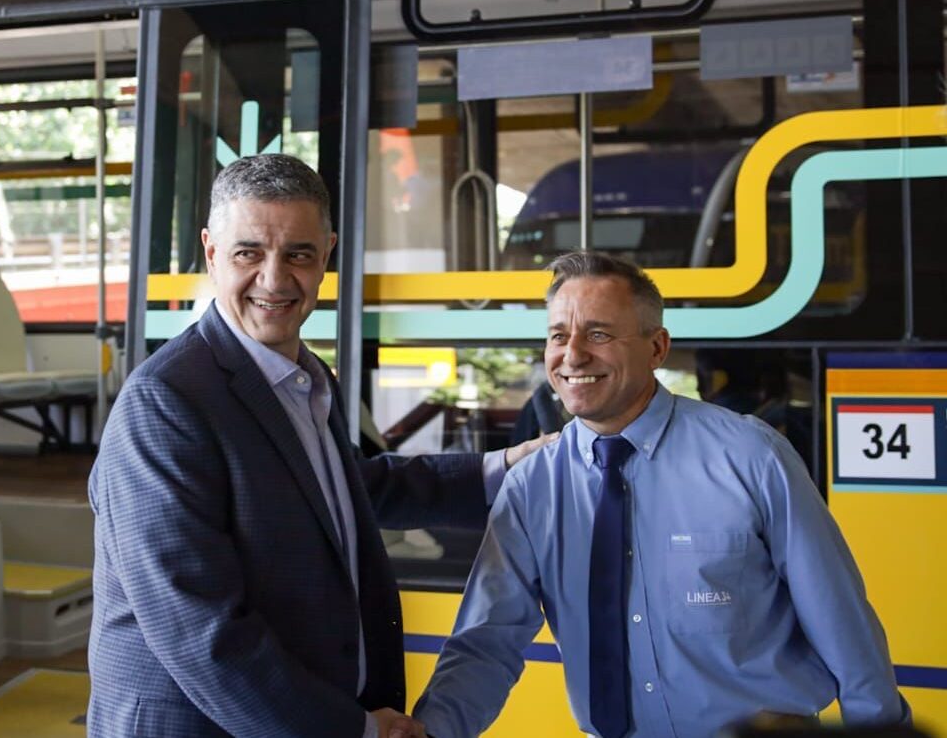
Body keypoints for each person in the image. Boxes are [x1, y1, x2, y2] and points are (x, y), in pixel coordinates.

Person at [86, 154, 549, 738]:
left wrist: (503, 468)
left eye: (298, 255)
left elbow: (344, 491)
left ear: (327, 255)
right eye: (248, 252)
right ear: (210, 252)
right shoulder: (166, 402)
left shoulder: (302, 376)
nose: (275, 280)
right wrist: (353, 731)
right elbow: (201, 633)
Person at [413, 251, 911, 737]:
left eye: (599, 333)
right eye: (558, 336)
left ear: (657, 349)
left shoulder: (750, 456)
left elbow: (839, 617)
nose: (573, 355)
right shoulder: (531, 487)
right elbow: (485, 645)